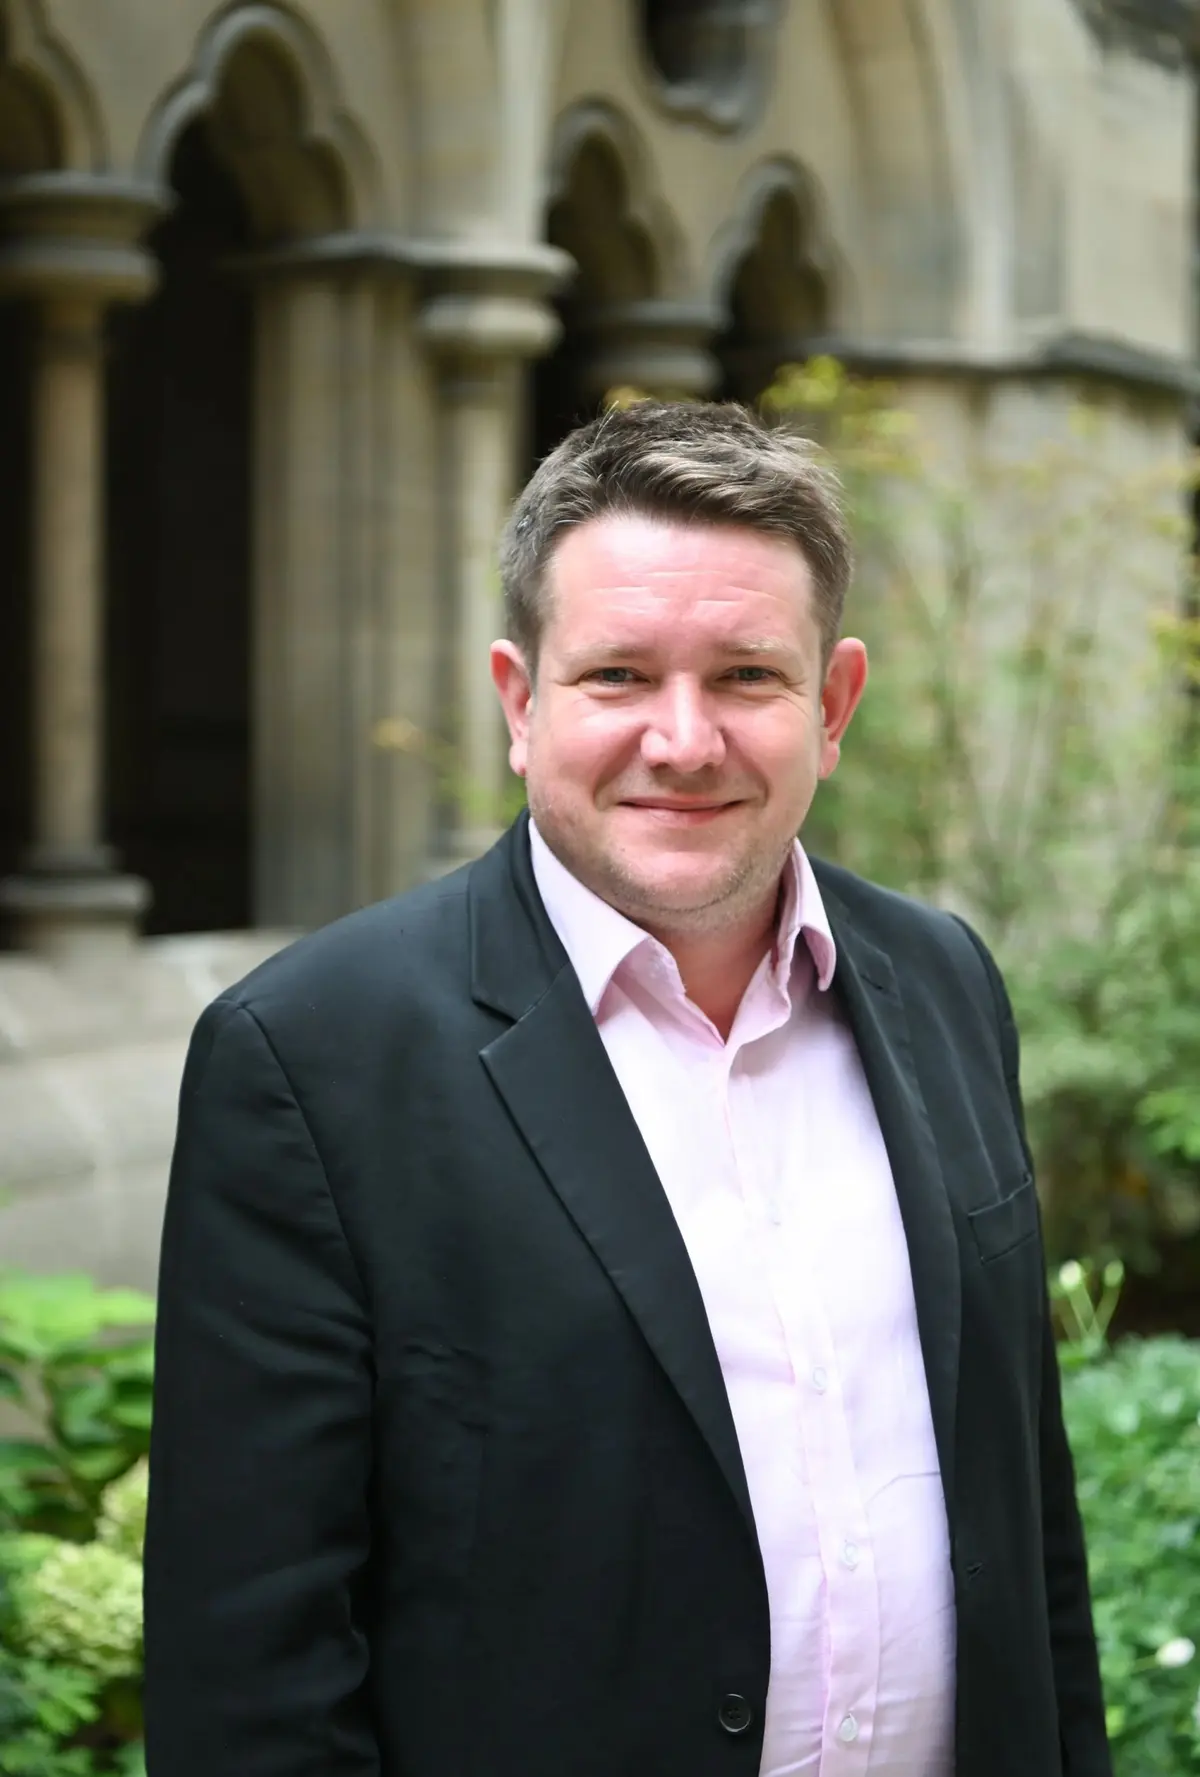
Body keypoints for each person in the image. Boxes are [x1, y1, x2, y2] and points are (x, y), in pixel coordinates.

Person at [143, 400, 1111, 1777]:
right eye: (616, 678)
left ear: (832, 706)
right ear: (519, 703)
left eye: (744, 678)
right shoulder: (311, 1060)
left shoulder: (942, 981)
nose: (683, 739)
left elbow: (1029, 1527)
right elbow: (251, 1674)